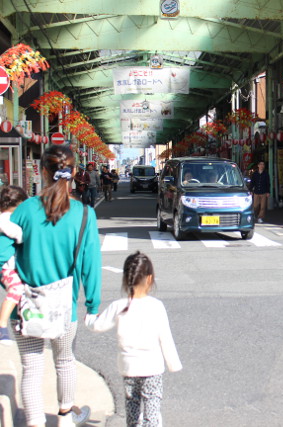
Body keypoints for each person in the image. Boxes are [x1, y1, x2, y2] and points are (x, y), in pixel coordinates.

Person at [0, 145, 101, 427]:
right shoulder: (83, 214)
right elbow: (89, 263)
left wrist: (13, 281)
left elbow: (0, 253)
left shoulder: (25, 211)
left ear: (43, 172)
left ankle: (33, 423)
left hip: (26, 306)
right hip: (64, 306)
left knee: (31, 368)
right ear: (75, 173)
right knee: (65, 361)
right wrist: (92, 304)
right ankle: (66, 418)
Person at [85, 251, 182, 427]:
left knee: (132, 404)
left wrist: (90, 318)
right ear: (150, 279)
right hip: (152, 367)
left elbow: (98, 325)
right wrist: (173, 364)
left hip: (128, 367)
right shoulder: (156, 306)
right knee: (152, 407)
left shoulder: (119, 306)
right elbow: (165, 338)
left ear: (126, 279)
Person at [0, 185, 28, 344]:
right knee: (16, 289)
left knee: (18, 292)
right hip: (5, 266)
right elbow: (17, 234)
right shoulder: (6, 218)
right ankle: (2, 327)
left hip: (6, 265)